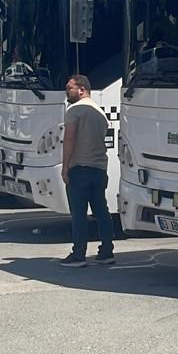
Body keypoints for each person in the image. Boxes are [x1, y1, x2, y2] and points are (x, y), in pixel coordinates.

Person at [61, 74, 115, 266]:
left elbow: (69, 138)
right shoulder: (99, 112)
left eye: (70, 88)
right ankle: (107, 251)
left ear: (82, 89)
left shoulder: (75, 110)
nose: (67, 91)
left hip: (80, 168)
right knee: (101, 211)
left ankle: (79, 254)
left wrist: (65, 167)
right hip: (99, 168)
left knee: (79, 214)